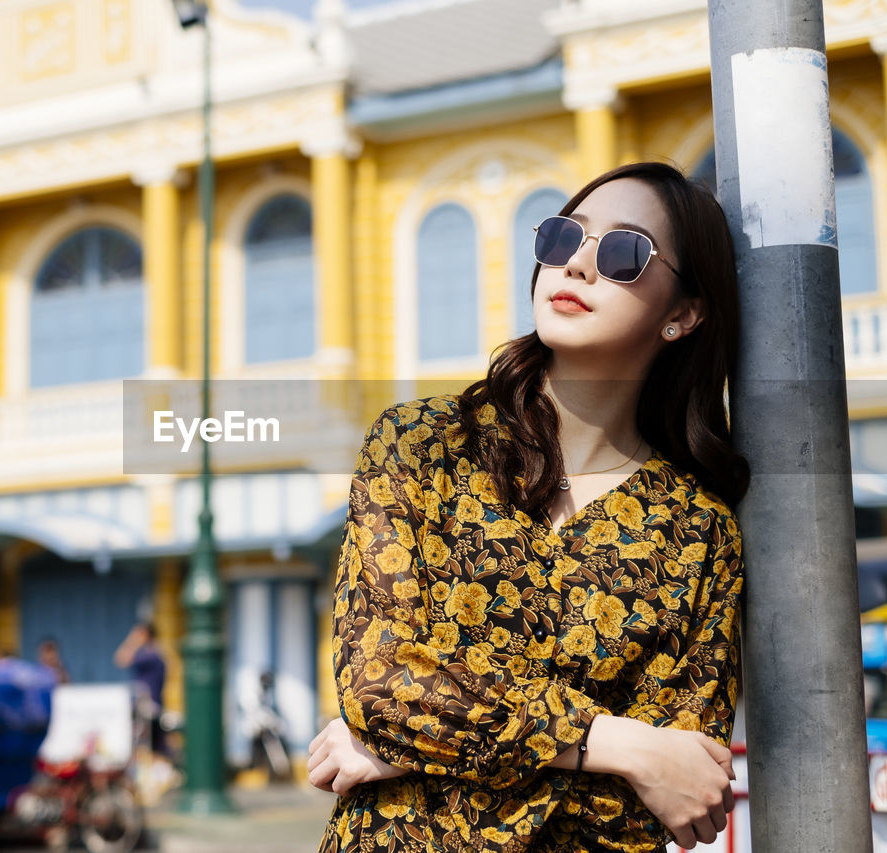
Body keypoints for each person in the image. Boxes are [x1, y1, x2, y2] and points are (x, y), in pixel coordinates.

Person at [307, 162, 749, 852]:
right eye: (562, 236)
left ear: (682, 314)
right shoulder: (421, 444)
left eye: (623, 252)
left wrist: (415, 749)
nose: (576, 263)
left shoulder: (699, 532)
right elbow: (379, 682)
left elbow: (679, 792)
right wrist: (615, 742)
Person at [113, 622, 167, 755]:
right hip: (151, 704)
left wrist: (132, 641)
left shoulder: (150, 654)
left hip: (148, 705)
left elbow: (121, 659)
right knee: (154, 745)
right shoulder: (155, 653)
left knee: (148, 744)